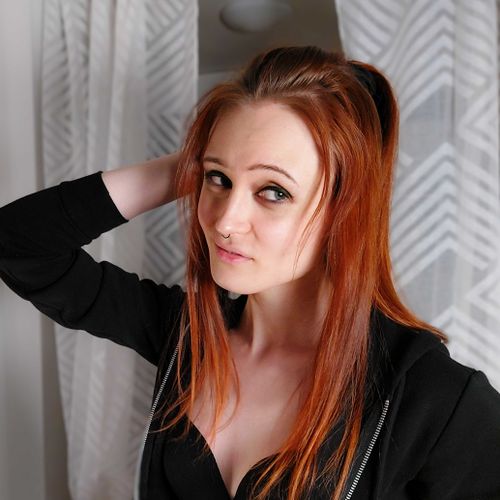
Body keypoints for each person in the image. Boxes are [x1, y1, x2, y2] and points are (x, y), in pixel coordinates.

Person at [0, 46, 499, 500]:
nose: (225, 221)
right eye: (217, 180)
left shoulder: (435, 398)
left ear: (345, 210)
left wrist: (228, 164)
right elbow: (19, 246)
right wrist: (194, 164)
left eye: (273, 191)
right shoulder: (189, 336)